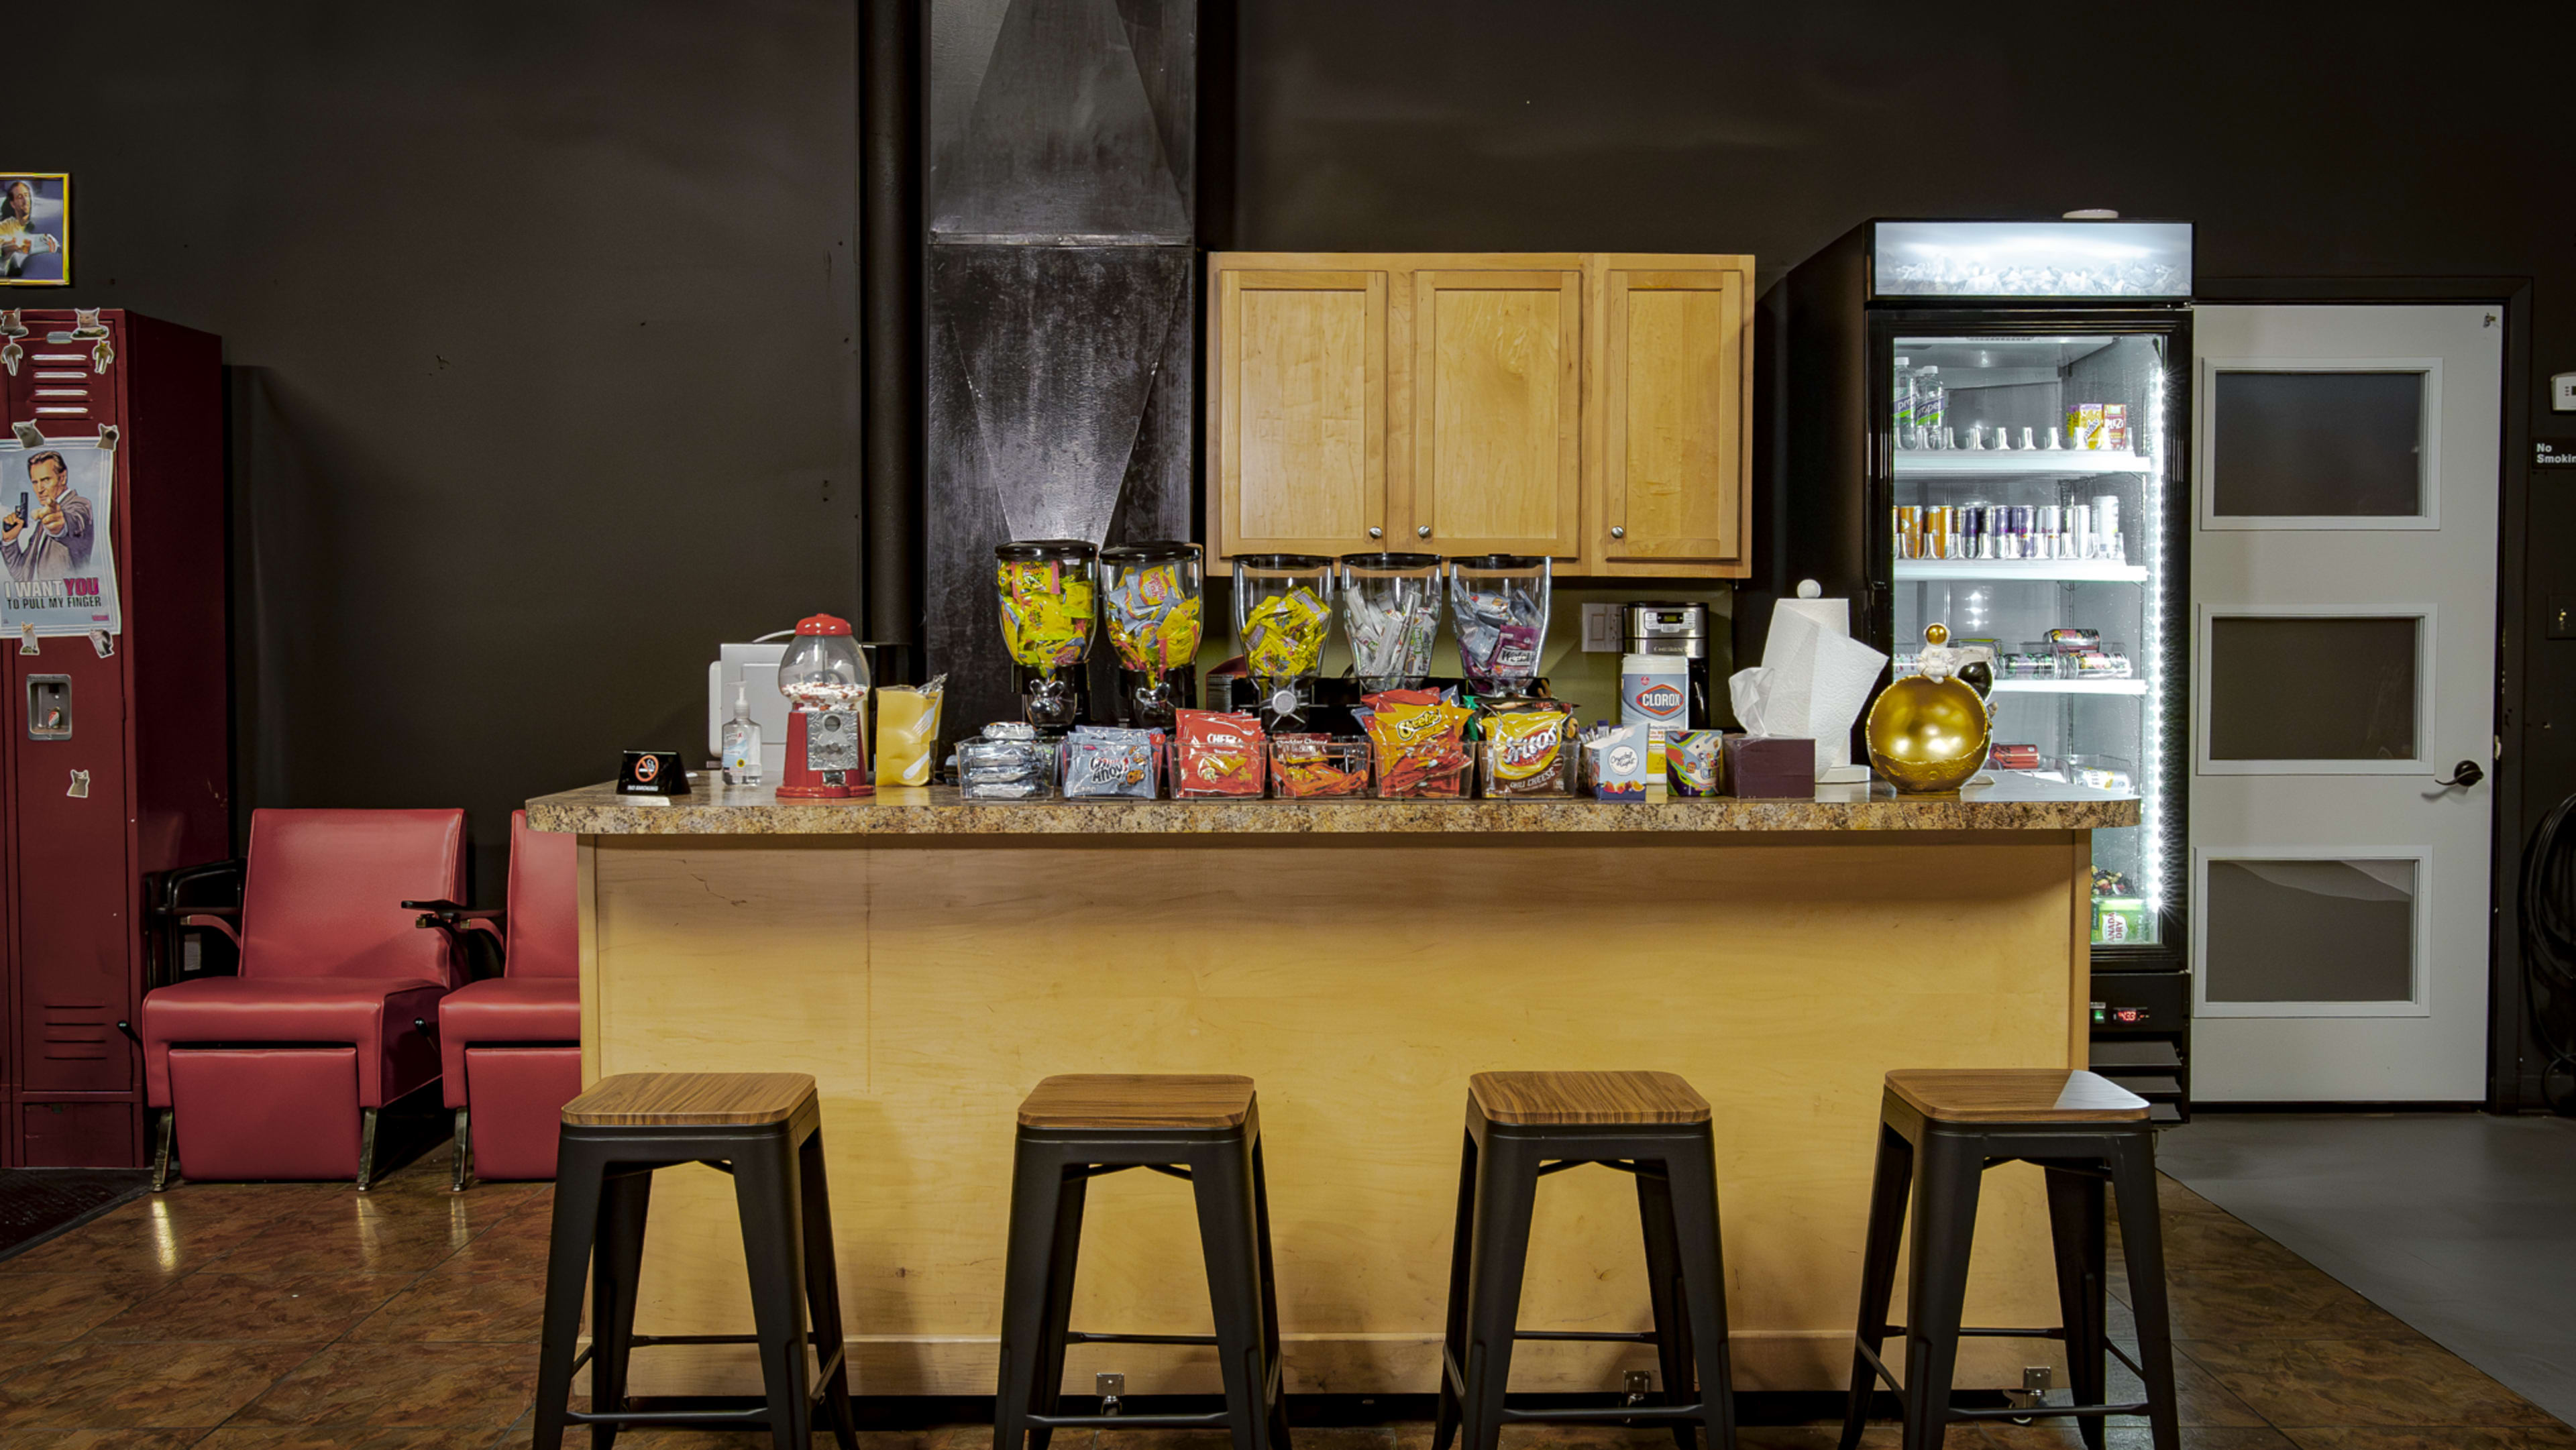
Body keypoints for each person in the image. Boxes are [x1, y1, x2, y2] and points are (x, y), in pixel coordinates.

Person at [3, 451, 93, 583]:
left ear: (62, 478)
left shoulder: (80, 505)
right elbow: (22, 576)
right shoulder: (42, 523)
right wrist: (10, 541)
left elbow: (75, 520)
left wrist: (60, 525)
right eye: (35, 482)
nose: (39, 489)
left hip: (65, 594)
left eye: (46, 480)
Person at [0, 181, 60, 280]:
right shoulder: (7, 226)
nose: (25, 201)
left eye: (26, 195)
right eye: (20, 197)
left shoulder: (39, 226)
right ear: (13, 204)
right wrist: (6, 252)